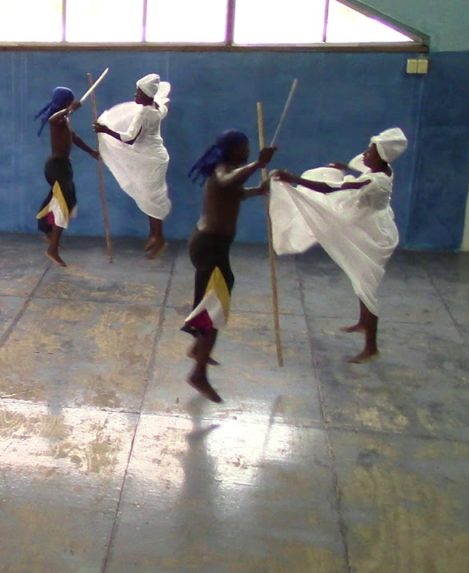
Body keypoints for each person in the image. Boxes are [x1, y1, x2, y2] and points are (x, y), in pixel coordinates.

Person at [273, 127, 407, 363]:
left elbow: (330, 188)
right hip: (365, 221)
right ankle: (364, 323)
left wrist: (294, 179)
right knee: (359, 277)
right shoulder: (382, 168)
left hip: (371, 234)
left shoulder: (376, 182)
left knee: (365, 282)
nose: (365, 154)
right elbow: (361, 173)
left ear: (382, 156)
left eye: (370, 152)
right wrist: (344, 167)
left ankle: (371, 347)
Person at [183, 131, 276, 403]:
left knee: (212, 303)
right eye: (243, 148)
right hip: (208, 246)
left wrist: (259, 190)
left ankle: (197, 347)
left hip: (215, 247)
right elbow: (225, 182)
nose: (246, 151)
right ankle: (197, 374)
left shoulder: (231, 170)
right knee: (214, 310)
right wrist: (258, 165)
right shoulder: (222, 169)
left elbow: (234, 193)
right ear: (231, 149)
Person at [94, 73, 172, 259]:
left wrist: (105, 130)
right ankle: (154, 235)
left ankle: (159, 238)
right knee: (149, 197)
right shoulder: (156, 108)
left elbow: (129, 138)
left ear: (146, 95)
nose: (135, 94)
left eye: (138, 92)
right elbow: (162, 108)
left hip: (149, 160)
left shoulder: (143, 113)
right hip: (156, 157)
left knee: (151, 198)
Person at [34, 86, 101, 267]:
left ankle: (46, 228)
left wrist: (91, 152)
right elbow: (52, 119)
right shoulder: (58, 119)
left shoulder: (65, 119)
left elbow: (74, 137)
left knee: (64, 203)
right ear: (65, 102)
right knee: (63, 205)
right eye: (70, 100)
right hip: (56, 168)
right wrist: (70, 109)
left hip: (63, 168)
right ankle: (52, 248)